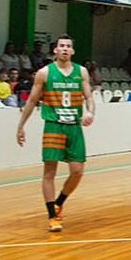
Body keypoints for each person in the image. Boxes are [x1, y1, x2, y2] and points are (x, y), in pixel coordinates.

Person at [16, 36, 96, 233]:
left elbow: (89, 97)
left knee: (77, 171)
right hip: (53, 125)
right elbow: (32, 101)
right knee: (49, 172)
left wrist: (90, 112)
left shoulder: (81, 72)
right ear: (55, 50)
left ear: (73, 51)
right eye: (61, 46)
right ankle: (52, 216)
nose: (65, 49)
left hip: (74, 126)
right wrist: (21, 126)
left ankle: (60, 201)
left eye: (69, 46)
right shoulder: (44, 73)